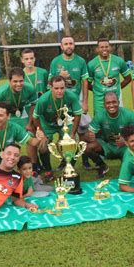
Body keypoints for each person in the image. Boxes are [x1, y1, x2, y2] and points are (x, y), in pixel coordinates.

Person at [48, 35, 91, 169]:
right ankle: (64, 161)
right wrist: (61, 76)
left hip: (76, 100)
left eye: (71, 43)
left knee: (82, 131)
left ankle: (85, 160)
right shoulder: (55, 61)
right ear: (61, 46)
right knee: (64, 132)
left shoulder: (81, 61)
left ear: (74, 45)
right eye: (65, 44)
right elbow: (50, 83)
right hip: (62, 101)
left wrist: (84, 101)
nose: (68, 46)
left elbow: (85, 82)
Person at [32, 76, 83, 181]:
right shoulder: (44, 99)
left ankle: (68, 168)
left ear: (65, 87)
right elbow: (35, 117)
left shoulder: (71, 96)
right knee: (42, 145)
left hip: (65, 123)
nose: (59, 91)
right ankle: (48, 171)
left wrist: (73, 133)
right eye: (56, 88)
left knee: (75, 142)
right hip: (47, 124)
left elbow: (78, 115)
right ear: (51, 87)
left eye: (62, 88)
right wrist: (41, 131)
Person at [84, 92, 134, 178]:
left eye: (114, 102)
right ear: (104, 104)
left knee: (128, 172)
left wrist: (127, 140)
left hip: (125, 147)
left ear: (118, 102)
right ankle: (102, 166)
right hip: (107, 146)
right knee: (87, 148)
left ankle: (130, 164)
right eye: (108, 103)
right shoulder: (100, 115)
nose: (111, 105)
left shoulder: (128, 115)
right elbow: (87, 135)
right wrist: (89, 136)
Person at [87, 38, 132, 115]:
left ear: (110, 48)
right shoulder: (91, 64)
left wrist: (117, 87)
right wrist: (97, 90)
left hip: (116, 98)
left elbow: (128, 78)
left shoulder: (119, 61)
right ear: (97, 49)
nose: (104, 49)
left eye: (106, 46)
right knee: (100, 123)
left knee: (117, 121)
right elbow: (87, 84)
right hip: (99, 100)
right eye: (101, 47)